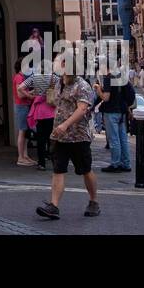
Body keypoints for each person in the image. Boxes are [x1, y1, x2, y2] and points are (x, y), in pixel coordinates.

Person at [35, 72, 101, 219]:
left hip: (79, 136)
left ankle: (93, 201)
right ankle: (54, 206)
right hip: (60, 136)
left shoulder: (82, 85)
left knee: (86, 170)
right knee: (58, 170)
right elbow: (55, 102)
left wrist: (65, 124)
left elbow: (82, 109)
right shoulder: (59, 83)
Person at [20, 69, 57, 170]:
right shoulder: (54, 77)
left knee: (41, 139)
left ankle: (41, 164)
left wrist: (31, 96)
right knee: (52, 138)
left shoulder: (34, 78)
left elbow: (21, 88)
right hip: (51, 110)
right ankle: (55, 161)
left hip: (40, 112)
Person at [100, 72, 135, 173]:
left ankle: (115, 164)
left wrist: (98, 90)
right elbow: (129, 95)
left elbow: (106, 97)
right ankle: (126, 164)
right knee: (123, 139)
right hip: (122, 112)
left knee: (114, 139)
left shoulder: (108, 78)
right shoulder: (122, 77)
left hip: (111, 111)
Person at [12, 69, 34, 166]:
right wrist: (30, 95)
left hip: (24, 106)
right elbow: (20, 94)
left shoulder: (23, 77)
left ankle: (25, 155)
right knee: (22, 131)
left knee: (25, 132)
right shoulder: (19, 77)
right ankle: (20, 157)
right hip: (22, 106)